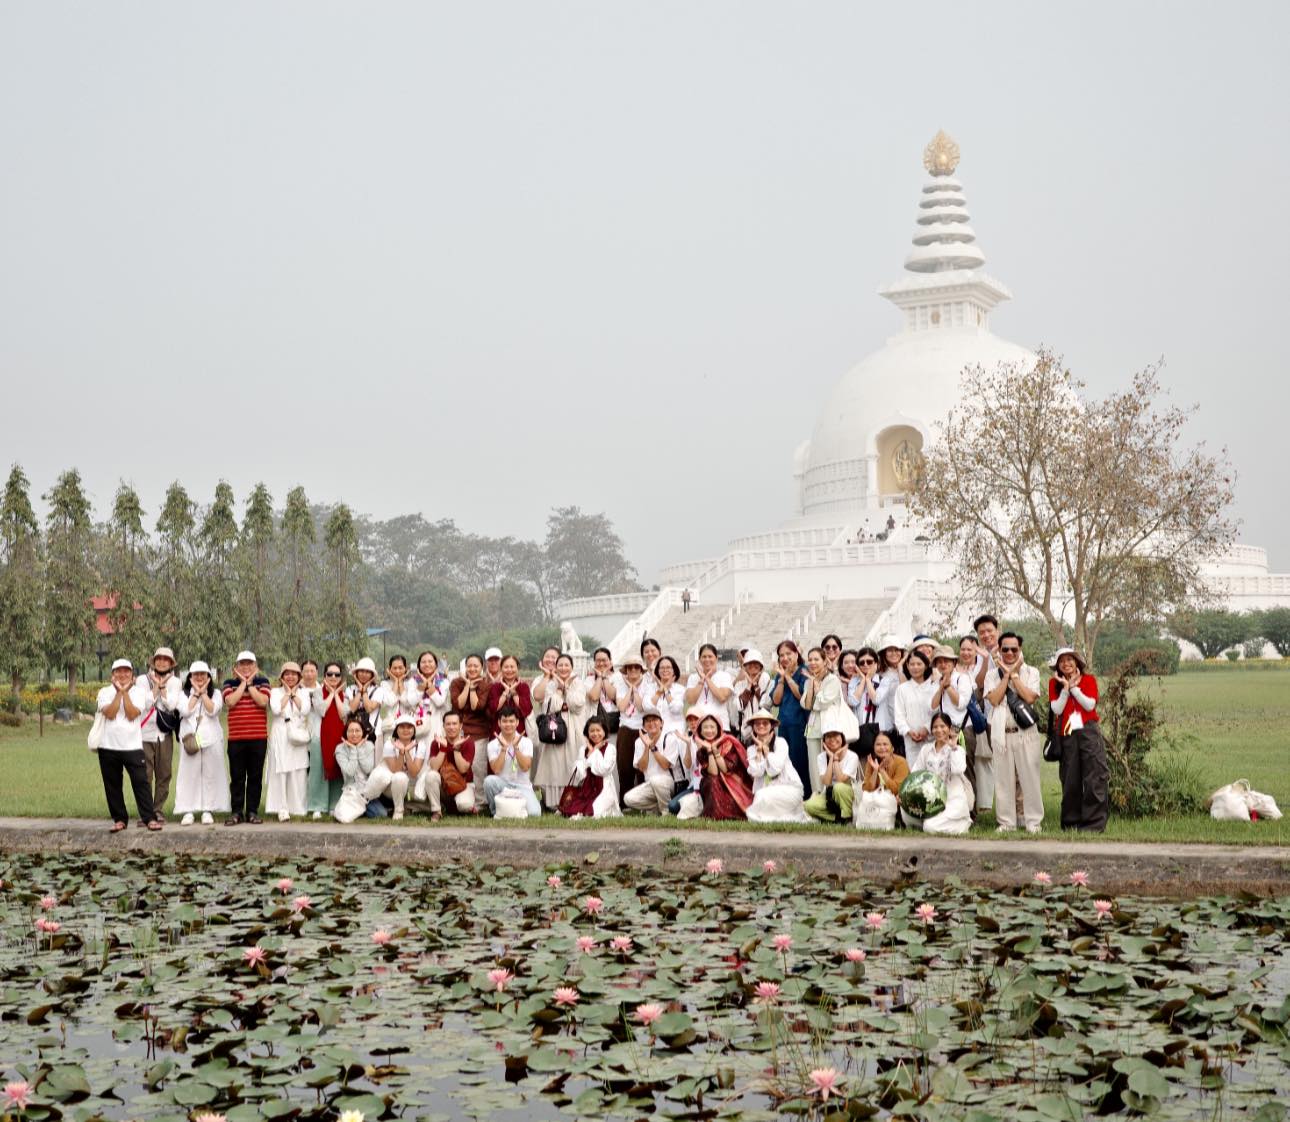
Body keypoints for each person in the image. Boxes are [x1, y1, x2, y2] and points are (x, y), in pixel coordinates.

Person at [984, 632, 1044, 833]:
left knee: (1030, 778)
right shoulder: (992, 675)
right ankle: (1006, 822)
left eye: (1014, 649)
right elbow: (994, 699)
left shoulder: (1031, 672)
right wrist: (1006, 675)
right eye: (1005, 649)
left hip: (1025, 732)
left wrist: (1015, 674)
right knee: (1003, 779)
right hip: (1002, 734)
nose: (1009, 653)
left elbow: (1028, 697)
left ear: (1020, 650)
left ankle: (1033, 821)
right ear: (999, 651)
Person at [95, 658, 159, 832]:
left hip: (132, 746)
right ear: (112, 674)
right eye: (118, 671)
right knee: (112, 785)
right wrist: (119, 693)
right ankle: (120, 819)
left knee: (141, 782)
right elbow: (110, 713)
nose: (122, 675)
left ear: (132, 675)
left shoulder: (139, 693)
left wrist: (125, 693)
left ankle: (149, 818)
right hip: (108, 745)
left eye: (126, 672)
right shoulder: (104, 692)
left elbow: (132, 714)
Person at [1049, 647, 1109, 832]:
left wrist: (1074, 688)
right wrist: (1065, 690)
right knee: (1070, 778)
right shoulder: (1054, 683)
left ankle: (1093, 824)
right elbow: (1057, 709)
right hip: (1067, 732)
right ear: (1058, 665)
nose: (1066, 664)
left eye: (1070, 660)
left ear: (1077, 662)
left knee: (1094, 776)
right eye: (1062, 661)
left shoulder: (1089, 680)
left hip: (1088, 731)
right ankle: (1070, 823)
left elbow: (1089, 704)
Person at [172, 660, 229, 825]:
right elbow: (185, 710)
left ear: (208, 677)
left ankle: (207, 810)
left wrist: (204, 693)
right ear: (190, 677)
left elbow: (212, 710)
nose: (199, 677)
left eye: (203, 675)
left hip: (211, 738)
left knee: (211, 774)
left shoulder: (216, 693)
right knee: (189, 774)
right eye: (195, 674)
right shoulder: (183, 694)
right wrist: (195, 693)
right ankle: (188, 810)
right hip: (191, 739)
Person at [532, 652, 587, 809]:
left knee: (572, 763)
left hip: (574, 729)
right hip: (554, 728)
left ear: (572, 667)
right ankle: (553, 803)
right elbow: (551, 707)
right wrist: (558, 691)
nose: (563, 668)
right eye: (560, 665)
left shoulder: (579, 683)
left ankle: (572, 800)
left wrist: (566, 689)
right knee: (554, 765)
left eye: (566, 665)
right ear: (556, 667)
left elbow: (577, 705)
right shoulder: (550, 684)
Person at [222, 651, 271, 826]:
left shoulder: (263, 682)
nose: (246, 667)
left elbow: (263, 702)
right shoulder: (228, 683)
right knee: (237, 777)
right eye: (242, 664)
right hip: (236, 738)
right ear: (236, 667)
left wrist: (250, 684)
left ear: (255, 666)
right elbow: (230, 702)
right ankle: (236, 812)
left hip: (258, 738)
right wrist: (244, 682)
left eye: (249, 663)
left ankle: (252, 811)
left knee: (255, 777)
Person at [903, 711, 972, 834]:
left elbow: (958, 769)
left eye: (942, 726)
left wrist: (953, 747)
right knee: (906, 813)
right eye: (935, 727)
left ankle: (962, 825)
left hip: (951, 798)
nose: (939, 730)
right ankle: (931, 821)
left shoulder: (958, 750)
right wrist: (905, 794)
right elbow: (915, 773)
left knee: (930, 827)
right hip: (930, 797)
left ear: (949, 728)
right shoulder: (926, 749)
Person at [802, 646, 858, 794]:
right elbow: (807, 705)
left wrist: (817, 690)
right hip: (813, 728)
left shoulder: (832, 680)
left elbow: (822, 703)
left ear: (824, 661)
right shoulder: (809, 681)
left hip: (830, 729)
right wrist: (812, 687)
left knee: (831, 766)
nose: (813, 662)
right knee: (815, 768)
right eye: (810, 659)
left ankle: (833, 800)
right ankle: (817, 798)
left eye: (817, 659)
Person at [139, 646, 183, 825]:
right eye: (159, 658)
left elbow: (172, 705)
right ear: (153, 661)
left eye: (166, 659)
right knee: (145, 774)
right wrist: (156, 686)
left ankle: (157, 810)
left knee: (164, 773)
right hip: (144, 733)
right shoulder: (142, 680)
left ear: (171, 663)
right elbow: (144, 703)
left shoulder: (176, 682)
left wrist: (162, 688)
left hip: (164, 733)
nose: (162, 661)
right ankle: (146, 812)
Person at [745, 708, 809, 823]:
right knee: (760, 797)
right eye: (757, 723)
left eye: (765, 723)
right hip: (766, 791)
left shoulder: (780, 742)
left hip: (789, 788)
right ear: (753, 727)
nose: (761, 726)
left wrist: (766, 751)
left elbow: (775, 769)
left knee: (761, 798)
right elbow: (756, 772)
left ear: (771, 726)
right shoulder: (751, 749)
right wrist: (759, 752)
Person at [266, 661, 312, 822]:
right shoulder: (275, 692)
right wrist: (287, 693)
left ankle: (298, 806)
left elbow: (305, 710)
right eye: (287, 674)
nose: (290, 676)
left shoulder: (304, 692)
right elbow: (276, 710)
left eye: (294, 674)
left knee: (298, 770)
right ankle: (282, 807)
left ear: (299, 676)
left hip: (298, 734)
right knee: (282, 770)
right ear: (282, 676)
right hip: (281, 733)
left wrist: (295, 693)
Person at [692, 712, 754, 821]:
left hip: (733, 782)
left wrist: (716, 751)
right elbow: (714, 772)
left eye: (712, 727)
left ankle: (727, 814)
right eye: (705, 727)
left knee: (721, 786)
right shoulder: (701, 751)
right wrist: (710, 751)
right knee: (713, 780)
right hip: (712, 782)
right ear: (700, 731)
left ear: (719, 728)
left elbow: (725, 769)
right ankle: (715, 814)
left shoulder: (728, 742)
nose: (709, 731)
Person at [417, 710, 477, 818]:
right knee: (431, 775)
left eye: (454, 724)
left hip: (463, 784)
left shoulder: (468, 742)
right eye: (448, 724)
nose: (451, 727)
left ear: (460, 726)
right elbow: (434, 767)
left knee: (465, 806)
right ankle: (437, 811)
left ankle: (452, 806)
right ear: (443, 726)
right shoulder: (437, 742)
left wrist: (457, 749)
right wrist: (443, 749)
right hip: (444, 785)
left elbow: (463, 769)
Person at [558, 715, 621, 818]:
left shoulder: (610, 748)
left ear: (604, 731)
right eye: (592, 731)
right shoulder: (583, 749)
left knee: (595, 812)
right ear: (587, 733)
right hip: (586, 788)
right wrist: (590, 754)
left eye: (598, 730)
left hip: (604, 788)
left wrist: (594, 752)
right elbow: (579, 774)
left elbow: (603, 770)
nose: (595, 734)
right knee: (572, 810)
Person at [484, 706, 541, 817]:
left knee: (534, 814)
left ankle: (518, 807)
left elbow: (525, 767)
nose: (508, 724)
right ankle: (495, 811)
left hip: (522, 786)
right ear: (499, 723)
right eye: (504, 721)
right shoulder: (492, 744)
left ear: (517, 722)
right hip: (503, 785)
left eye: (511, 721)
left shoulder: (526, 742)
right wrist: (503, 749)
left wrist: (516, 748)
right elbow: (496, 769)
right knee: (488, 781)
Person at [366, 712, 422, 820]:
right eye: (402, 727)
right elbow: (395, 770)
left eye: (409, 727)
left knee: (403, 778)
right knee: (399, 777)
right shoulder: (389, 744)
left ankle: (408, 807)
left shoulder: (420, 745)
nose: (406, 730)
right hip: (391, 786)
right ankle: (398, 811)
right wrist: (401, 752)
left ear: (414, 730)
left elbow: (414, 772)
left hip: (411, 785)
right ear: (396, 730)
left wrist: (407, 752)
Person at [769, 640, 810, 787]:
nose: (785, 658)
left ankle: (803, 795)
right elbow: (776, 700)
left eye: (788, 654)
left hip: (800, 725)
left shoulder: (805, 671)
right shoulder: (780, 675)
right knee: (785, 761)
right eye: (781, 655)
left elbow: (801, 696)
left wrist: (787, 677)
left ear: (796, 654)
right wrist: (781, 678)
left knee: (799, 761)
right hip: (784, 724)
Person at [450, 654, 492, 795]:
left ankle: (481, 800)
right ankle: (459, 796)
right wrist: (467, 685)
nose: (472, 669)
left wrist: (473, 688)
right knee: (460, 766)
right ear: (465, 667)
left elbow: (477, 706)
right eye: (469, 666)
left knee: (478, 767)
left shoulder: (485, 685)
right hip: (460, 732)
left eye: (476, 666)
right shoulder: (456, 683)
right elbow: (458, 704)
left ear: (482, 667)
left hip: (479, 733)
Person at [804, 720, 860, 823]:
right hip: (829, 794)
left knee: (839, 787)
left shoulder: (852, 756)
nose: (832, 739)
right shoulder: (821, 757)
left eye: (835, 735)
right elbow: (826, 782)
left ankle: (847, 817)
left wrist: (835, 759)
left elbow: (841, 779)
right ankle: (836, 818)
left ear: (842, 738)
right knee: (808, 805)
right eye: (828, 736)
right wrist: (831, 758)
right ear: (824, 741)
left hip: (847, 793)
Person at [623, 707, 676, 814]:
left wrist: (652, 747)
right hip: (650, 784)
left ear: (662, 723)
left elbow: (665, 765)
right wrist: (646, 747)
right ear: (643, 726)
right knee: (628, 799)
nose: (651, 723)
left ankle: (666, 812)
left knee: (656, 781)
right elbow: (642, 768)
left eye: (655, 720)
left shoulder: (669, 738)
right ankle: (656, 807)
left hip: (668, 783)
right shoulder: (639, 741)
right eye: (648, 721)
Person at [310, 662, 347, 816]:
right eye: (329, 674)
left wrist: (337, 693)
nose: (333, 677)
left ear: (341, 677)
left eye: (337, 674)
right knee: (319, 772)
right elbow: (322, 710)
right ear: (324, 676)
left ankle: (333, 805)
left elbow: (343, 713)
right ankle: (317, 805)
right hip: (320, 738)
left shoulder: (346, 693)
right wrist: (332, 693)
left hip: (339, 738)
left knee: (337, 771)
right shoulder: (317, 692)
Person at [613, 654, 650, 806]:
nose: (633, 670)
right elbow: (621, 707)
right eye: (630, 667)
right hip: (625, 728)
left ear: (641, 669)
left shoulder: (648, 685)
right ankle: (625, 803)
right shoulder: (620, 685)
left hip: (642, 729)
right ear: (626, 670)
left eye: (636, 667)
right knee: (625, 768)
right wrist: (630, 688)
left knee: (642, 769)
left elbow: (642, 707)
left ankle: (642, 803)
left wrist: (636, 689)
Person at [855, 730, 909, 831]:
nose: (882, 748)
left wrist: (882, 771)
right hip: (879, 803)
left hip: (897, 800)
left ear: (892, 748)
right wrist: (875, 771)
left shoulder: (900, 762)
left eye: (885, 744)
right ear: (874, 748)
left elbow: (897, 789)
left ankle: (899, 821)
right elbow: (867, 789)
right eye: (878, 744)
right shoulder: (871, 762)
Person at [333, 717, 380, 823]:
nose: (354, 734)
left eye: (357, 731)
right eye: (350, 731)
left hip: (368, 792)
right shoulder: (340, 749)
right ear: (346, 733)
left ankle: (360, 810)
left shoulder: (369, 746)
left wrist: (360, 749)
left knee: (381, 814)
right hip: (352, 792)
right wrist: (354, 750)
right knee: (345, 815)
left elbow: (368, 769)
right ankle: (358, 809)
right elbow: (350, 772)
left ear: (363, 732)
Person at [894, 648, 937, 760]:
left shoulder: (934, 687)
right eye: (912, 664)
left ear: (926, 665)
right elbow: (899, 716)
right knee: (915, 774)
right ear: (907, 666)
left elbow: (936, 712)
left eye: (919, 664)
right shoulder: (902, 689)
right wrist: (908, 731)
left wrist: (927, 728)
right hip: (911, 741)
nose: (915, 667)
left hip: (933, 738)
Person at [300, 660, 331, 820]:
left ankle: (317, 803)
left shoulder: (322, 690)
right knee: (301, 770)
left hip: (318, 733)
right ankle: (301, 803)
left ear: (317, 673)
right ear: (301, 673)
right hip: (298, 733)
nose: (309, 674)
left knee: (316, 770)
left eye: (312, 671)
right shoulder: (297, 690)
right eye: (306, 671)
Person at [373, 655, 420, 752]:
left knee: (408, 754)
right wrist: (396, 682)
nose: (397, 671)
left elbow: (408, 702)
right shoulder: (384, 684)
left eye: (400, 668)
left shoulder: (411, 683)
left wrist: (401, 684)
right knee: (391, 753)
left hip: (407, 726)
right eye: (394, 668)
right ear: (389, 669)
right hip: (390, 726)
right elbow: (389, 702)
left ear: (405, 669)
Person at [684, 644, 734, 727]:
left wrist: (706, 678)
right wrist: (701, 681)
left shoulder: (724, 676)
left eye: (710, 656)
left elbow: (722, 697)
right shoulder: (693, 677)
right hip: (698, 724)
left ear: (716, 658)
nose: (707, 659)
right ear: (699, 659)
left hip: (720, 724)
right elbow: (691, 700)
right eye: (704, 657)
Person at [873, 636, 907, 757]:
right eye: (890, 650)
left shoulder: (909, 670)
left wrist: (900, 669)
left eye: (897, 650)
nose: (894, 653)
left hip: (906, 724)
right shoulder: (879, 674)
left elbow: (905, 692)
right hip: (888, 725)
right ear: (884, 653)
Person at [486, 655, 533, 738]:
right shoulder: (495, 687)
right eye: (506, 667)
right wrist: (505, 692)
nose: (509, 670)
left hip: (519, 733)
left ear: (517, 668)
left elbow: (527, 709)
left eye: (512, 667)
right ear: (501, 669)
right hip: (498, 733)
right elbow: (492, 709)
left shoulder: (523, 687)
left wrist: (513, 692)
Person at [847, 646, 882, 758]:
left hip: (879, 728)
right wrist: (863, 680)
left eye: (869, 661)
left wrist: (868, 679)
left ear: (876, 663)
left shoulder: (882, 680)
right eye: (862, 662)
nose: (866, 665)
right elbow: (853, 701)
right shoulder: (854, 682)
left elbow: (876, 700)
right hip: (861, 729)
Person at [930, 644, 972, 728]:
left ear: (954, 662)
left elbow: (961, 705)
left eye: (946, 661)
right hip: (945, 730)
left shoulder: (962, 678)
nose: (943, 664)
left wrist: (948, 687)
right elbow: (933, 707)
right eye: (939, 662)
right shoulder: (936, 682)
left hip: (964, 728)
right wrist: (941, 687)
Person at [732, 649, 771, 741]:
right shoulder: (740, 683)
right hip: (745, 729)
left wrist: (755, 686)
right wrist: (749, 686)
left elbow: (765, 703)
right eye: (749, 663)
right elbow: (739, 706)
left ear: (761, 666)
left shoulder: (765, 679)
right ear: (745, 666)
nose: (752, 666)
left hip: (764, 728)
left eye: (756, 663)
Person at [414, 650, 451, 742]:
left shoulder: (443, 682)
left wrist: (429, 684)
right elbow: (411, 701)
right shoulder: (413, 681)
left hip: (436, 723)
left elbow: (439, 702)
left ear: (436, 665)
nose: (427, 664)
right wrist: (422, 686)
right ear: (419, 665)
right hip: (418, 723)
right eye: (423, 662)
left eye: (430, 661)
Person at [647, 655, 686, 733]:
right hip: (654, 734)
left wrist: (666, 689)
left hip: (674, 733)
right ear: (657, 670)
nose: (665, 670)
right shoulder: (650, 688)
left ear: (674, 670)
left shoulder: (681, 689)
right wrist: (659, 692)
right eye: (662, 668)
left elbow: (676, 709)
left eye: (668, 667)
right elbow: (647, 707)